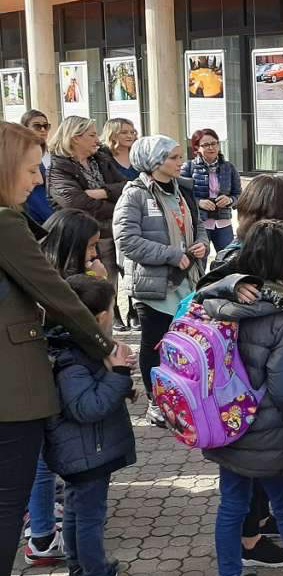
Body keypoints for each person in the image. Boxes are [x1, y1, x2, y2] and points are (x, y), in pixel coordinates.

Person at [0, 121, 118, 575]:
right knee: (9, 506)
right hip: (14, 394)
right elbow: (54, 292)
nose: (36, 181)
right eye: (31, 170)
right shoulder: (6, 224)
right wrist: (105, 344)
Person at [196, 220, 283, 576]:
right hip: (269, 434)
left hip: (226, 424)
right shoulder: (281, 316)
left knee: (232, 506)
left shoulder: (220, 300)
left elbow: (204, 286)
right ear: (275, 261)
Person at [22, 208, 107, 567]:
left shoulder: (49, 271)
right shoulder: (57, 283)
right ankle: (41, 534)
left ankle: (44, 521)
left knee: (49, 461)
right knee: (44, 461)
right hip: (51, 384)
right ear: (71, 245)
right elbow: (101, 336)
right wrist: (104, 289)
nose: (95, 256)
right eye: (90, 248)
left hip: (53, 382)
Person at [43, 274, 136, 576]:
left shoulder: (77, 347)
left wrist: (120, 379)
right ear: (99, 317)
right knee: (89, 518)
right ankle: (95, 569)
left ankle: (78, 565)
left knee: (75, 511)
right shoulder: (71, 359)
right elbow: (86, 408)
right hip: (87, 454)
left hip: (83, 452)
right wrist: (119, 376)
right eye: (112, 308)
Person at [113, 135, 209, 428]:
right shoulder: (135, 194)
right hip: (154, 286)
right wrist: (170, 255)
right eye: (174, 158)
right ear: (155, 162)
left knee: (185, 344)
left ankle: (182, 398)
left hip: (187, 280)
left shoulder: (184, 190)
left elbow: (198, 224)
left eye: (180, 157)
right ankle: (157, 402)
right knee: (154, 344)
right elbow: (126, 239)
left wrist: (201, 244)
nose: (181, 162)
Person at [48, 116, 129, 332]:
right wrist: (116, 205)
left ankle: (107, 331)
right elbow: (77, 204)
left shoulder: (101, 158)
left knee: (108, 285)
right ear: (75, 138)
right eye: (92, 135)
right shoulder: (59, 167)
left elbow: (126, 187)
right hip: (80, 239)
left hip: (109, 231)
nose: (98, 139)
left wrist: (102, 192)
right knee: (87, 289)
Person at [99, 118, 141, 331]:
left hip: (136, 218)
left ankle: (134, 309)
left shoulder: (138, 155)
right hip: (109, 218)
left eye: (132, 131)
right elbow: (105, 188)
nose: (130, 135)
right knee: (110, 269)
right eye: (124, 131)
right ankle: (113, 309)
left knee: (132, 266)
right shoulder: (103, 158)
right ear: (113, 134)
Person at [182, 129, 242, 253]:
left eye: (214, 143)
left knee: (228, 259)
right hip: (200, 224)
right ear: (197, 148)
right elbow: (180, 196)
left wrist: (230, 200)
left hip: (223, 222)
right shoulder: (188, 167)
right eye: (206, 145)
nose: (211, 148)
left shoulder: (229, 168)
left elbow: (239, 195)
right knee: (199, 260)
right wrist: (199, 202)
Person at [20, 110, 54, 224]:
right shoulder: (20, 155)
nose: (43, 130)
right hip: (37, 207)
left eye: (46, 126)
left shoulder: (55, 154)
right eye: (37, 126)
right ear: (24, 128)